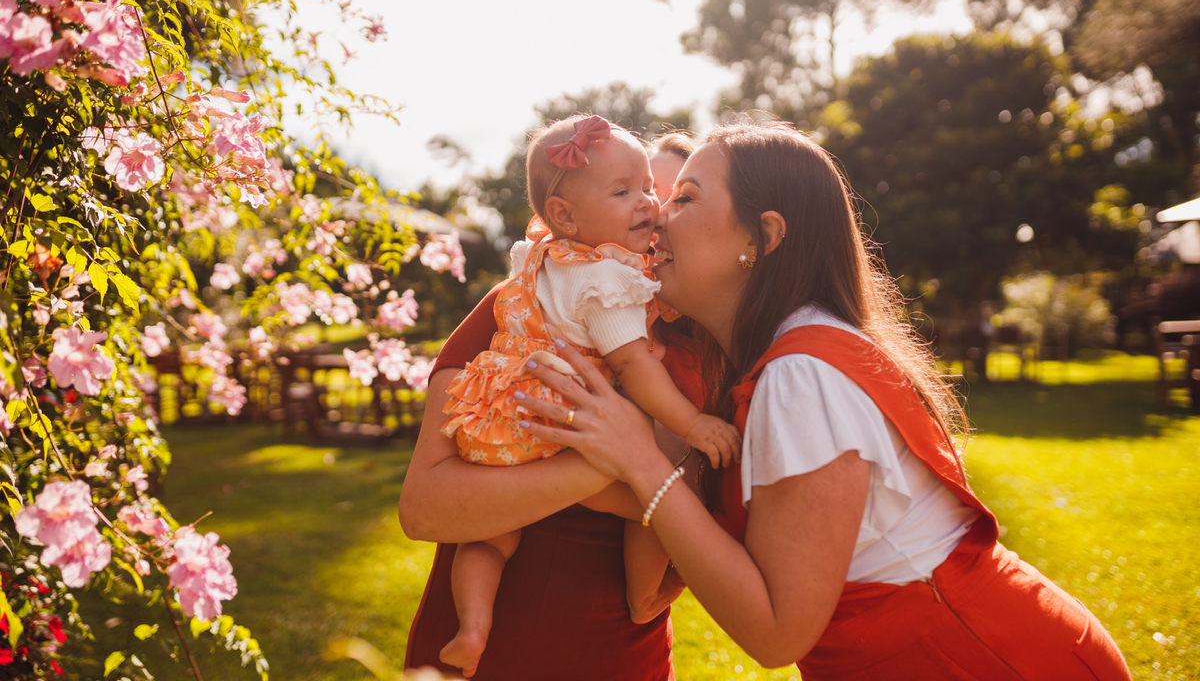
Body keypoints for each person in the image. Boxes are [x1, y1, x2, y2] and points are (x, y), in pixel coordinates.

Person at [515, 122, 1134, 680]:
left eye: (685, 197)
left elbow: (776, 632)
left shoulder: (801, 378)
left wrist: (639, 461)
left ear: (763, 237)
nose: (659, 216)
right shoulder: (788, 357)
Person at [402, 118, 723, 679]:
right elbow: (423, 506)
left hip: (623, 658)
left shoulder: (711, 344)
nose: (655, 215)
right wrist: (608, 470)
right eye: (635, 193)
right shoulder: (527, 303)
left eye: (671, 202)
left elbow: (726, 515)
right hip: (497, 660)